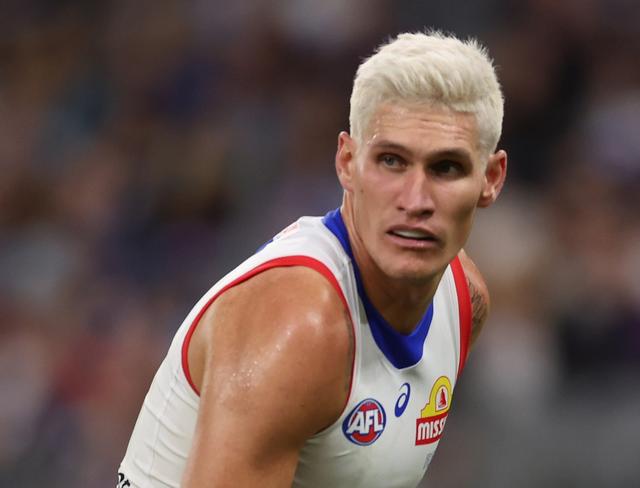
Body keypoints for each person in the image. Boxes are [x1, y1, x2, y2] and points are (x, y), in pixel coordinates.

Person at [118, 30, 507, 488]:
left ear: (491, 179)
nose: (415, 199)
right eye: (391, 161)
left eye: (446, 168)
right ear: (346, 162)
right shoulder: (299, 326)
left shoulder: (465, 302)